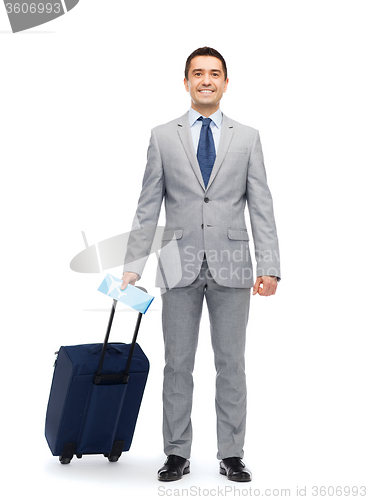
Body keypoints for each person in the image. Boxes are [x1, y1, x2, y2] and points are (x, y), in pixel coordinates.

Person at [121, 47, 281, 482]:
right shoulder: (161, 135)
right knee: (177, 364)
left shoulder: (247, 137)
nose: (206, 80)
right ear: (186, 82)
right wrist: (133, 264)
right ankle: (177, 453)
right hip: (177, 263)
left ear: (226, 83)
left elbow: (261, 206)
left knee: (231, 363)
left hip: (233, 264)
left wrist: (270, 264)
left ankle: (231, 453)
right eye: (198, 73)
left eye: (214, 74)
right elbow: (147, 206)